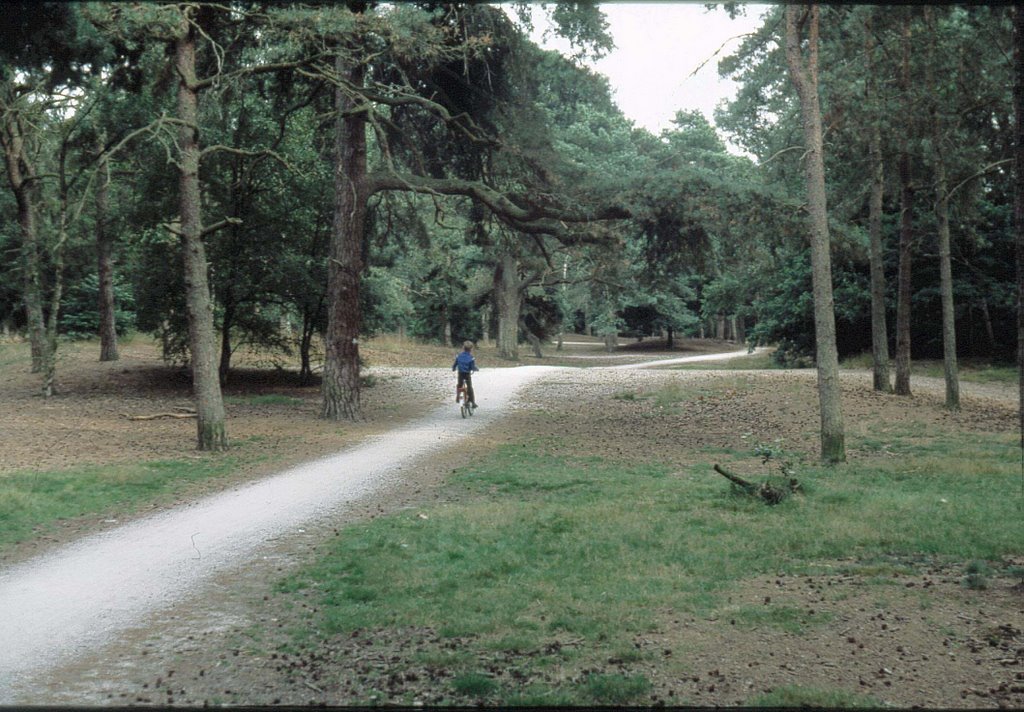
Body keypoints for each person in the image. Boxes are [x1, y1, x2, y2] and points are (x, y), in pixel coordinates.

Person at [452, 340, 479, 409]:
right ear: (471, 349)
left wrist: (454, 368)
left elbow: (455, 364)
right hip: (467, 374)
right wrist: (475, 369)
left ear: (463, 348)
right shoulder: (471, 357)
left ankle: (458, 396)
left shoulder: (459, 356)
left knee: (459, 385)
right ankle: (472, 402)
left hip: (460, 373)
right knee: (469, 387)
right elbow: (472, 367)